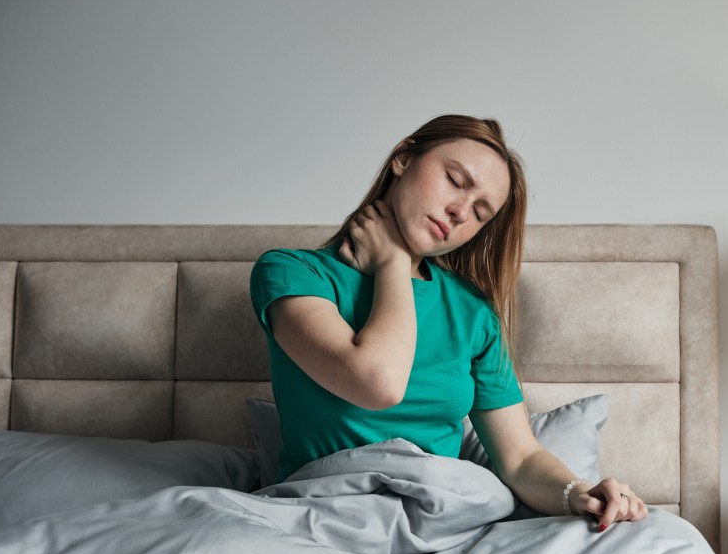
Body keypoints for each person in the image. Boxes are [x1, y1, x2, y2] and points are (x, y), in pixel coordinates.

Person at [250, 114, 648, 531]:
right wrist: (393, 262)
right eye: (455, 180)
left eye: (480, 212)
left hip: (443, 520)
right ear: (403, 158)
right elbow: (378, 382)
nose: (460, 212)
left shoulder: (472, 311)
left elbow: (519, 458)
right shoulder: (294, 273)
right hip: (323, 514)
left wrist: (578, 493)